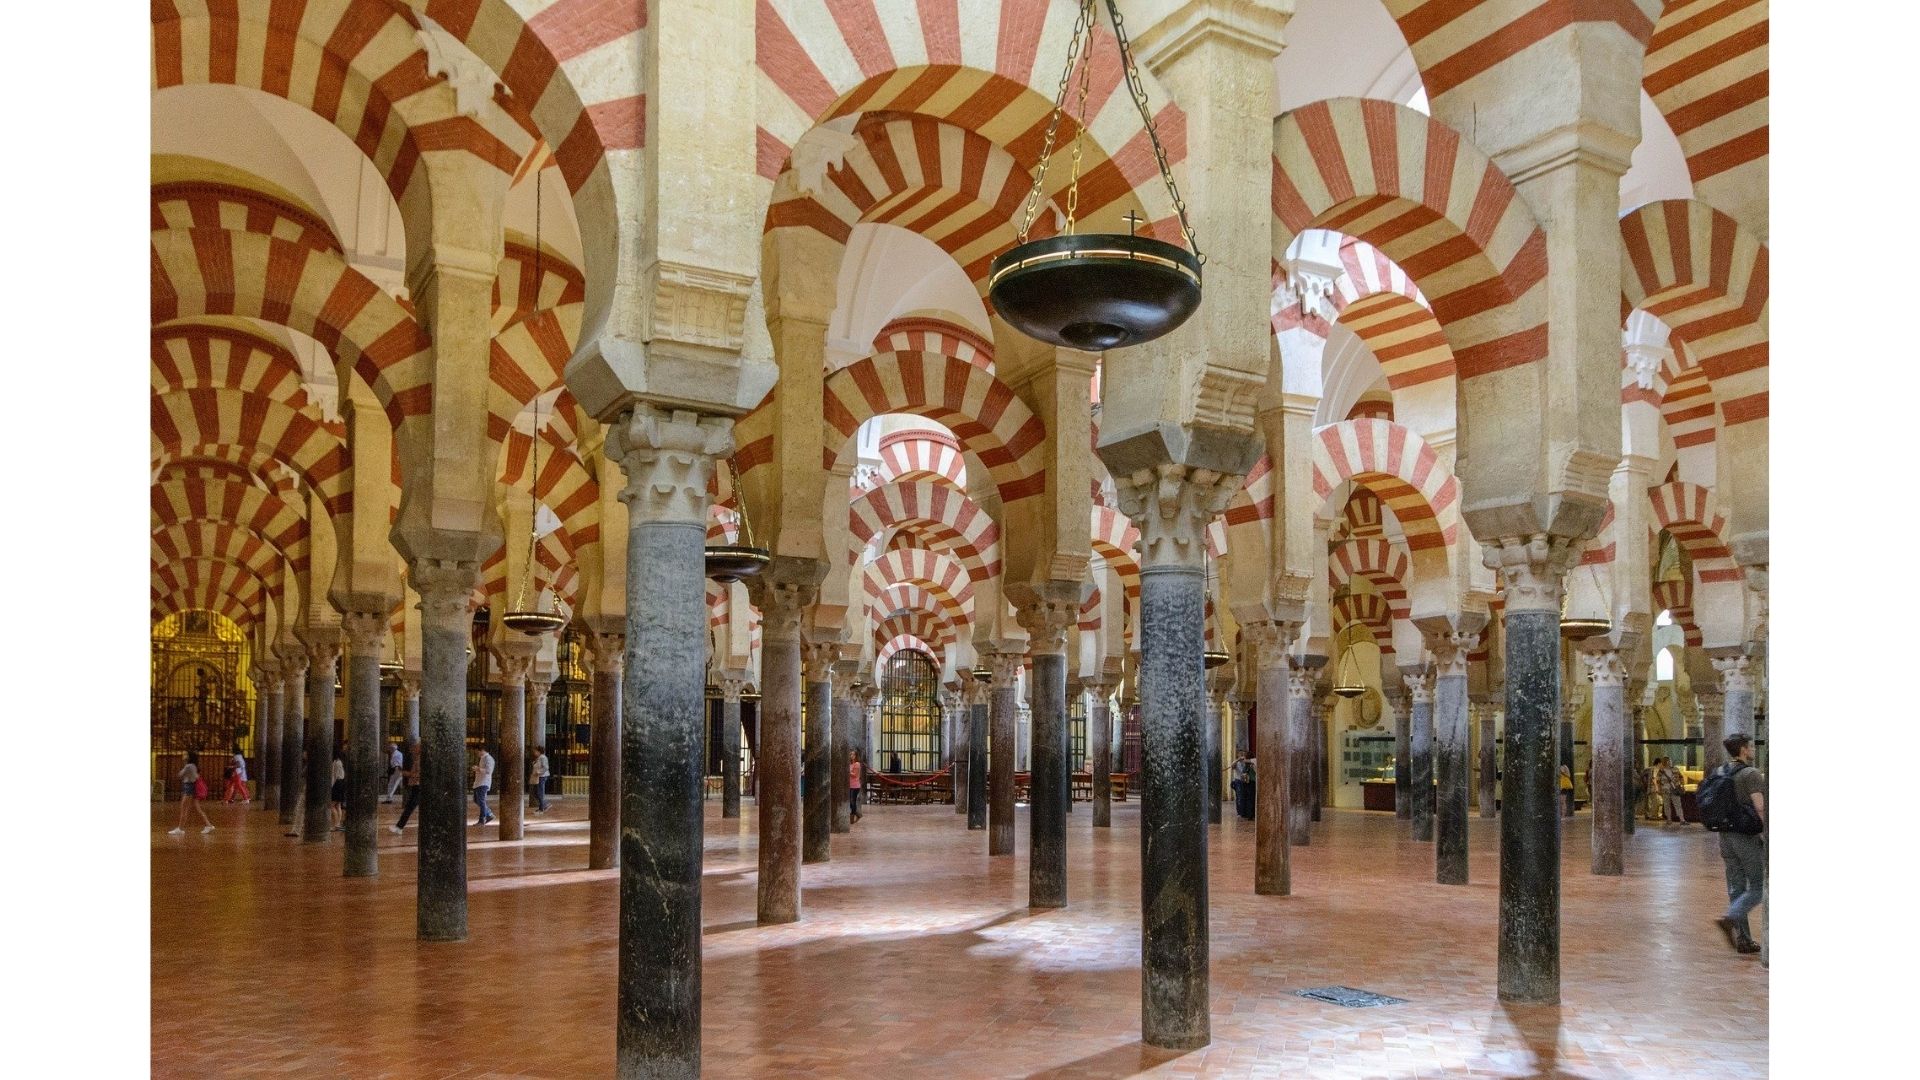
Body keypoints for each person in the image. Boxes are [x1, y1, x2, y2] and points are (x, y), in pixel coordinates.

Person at [1708, 734, 1766, 955]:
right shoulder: (1751, 774)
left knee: (1736, 887)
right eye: (1751, 746)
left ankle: (1743, 939)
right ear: (1743, 750)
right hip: (1745, 836)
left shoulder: (1720, 771)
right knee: (1759, 886)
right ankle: (1730, 918)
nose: (1753, 749)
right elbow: (1760, 807)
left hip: (1725, 836)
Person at [170, 752, 215, 835]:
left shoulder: (188, 766)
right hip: (192, 787)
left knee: (184, 809)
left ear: (189, 757)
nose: (183, 755)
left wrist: (185, 770)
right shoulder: (193, 766)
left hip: (188, 787)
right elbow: (196, 776)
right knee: (197, 809)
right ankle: (208, 825)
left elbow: (180, 775)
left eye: (186, 754)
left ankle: (180, 829)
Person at [389, 742, 422, 834]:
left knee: (409, 807)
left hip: (418, 786)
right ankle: (399, 827)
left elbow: (419, 774)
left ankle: (399, 827)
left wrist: (406, 774)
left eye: (415, 747)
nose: (413, 749)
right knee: (409, 807)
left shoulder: (420, 760)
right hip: (416, 785)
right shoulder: (417, 759)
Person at [1657, 756, 1686, 824]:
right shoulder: (1661, 771)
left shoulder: (1675, 769)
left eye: (1670, 761)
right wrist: (1659, 789)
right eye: (1668, 761)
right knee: (1667, 805)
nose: (1670, 762)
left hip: (1675, 789)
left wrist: (1682, 785)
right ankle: (1669, 819)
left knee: (1678, 804)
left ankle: (1682, 819)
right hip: (1665, 790)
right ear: (1665, 762)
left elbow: (1681, 777)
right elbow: (1658, 781)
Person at [472, 746, 495, 827]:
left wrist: (478, 769)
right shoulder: (483, 758)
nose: (477, 753)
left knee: (481, 801)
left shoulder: (488, 758)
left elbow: (489, 771)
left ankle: (482, 820)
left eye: (477, 751)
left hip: (484, 782)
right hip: (479, 782)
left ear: (482, 750)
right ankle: (488, 813)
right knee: (476, 800)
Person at [1230, 753, 1256, 820]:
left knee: (1249, 799)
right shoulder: (1238, 763)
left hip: (1251, 782)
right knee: (1240, 798)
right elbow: (1232, 766)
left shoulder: (1252, 761)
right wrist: (1238, 760)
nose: (1242, 756)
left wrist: (1246, 760)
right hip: (1240, 782)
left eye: (1244, 755)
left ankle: (1249, 814)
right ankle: (1241, 813)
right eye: (1241, 754)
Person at [329, 751, 347, 830]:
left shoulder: (336, 763)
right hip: (341, 783)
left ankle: (335, 824)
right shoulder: (339, 762)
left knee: (331, 805)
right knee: (338, 805)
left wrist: (331, 786)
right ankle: (338, 824)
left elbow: (334, 776)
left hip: (337, 784)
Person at [528, 746, 550, 814]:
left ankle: (543, 807)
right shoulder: (538, 758)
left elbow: (546, 767)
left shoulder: (543, 757)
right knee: (536, 792)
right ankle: (543, 805)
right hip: (538, 777)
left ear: (539, 751)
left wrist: (539, 772)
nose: (534, 753)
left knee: (539, 792)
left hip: (541, 777)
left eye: (535, 751)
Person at [848, 752, 863, 823]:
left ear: (856, 756)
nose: (851, 756)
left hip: (855, 785)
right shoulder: (850, 764)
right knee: (850, 802)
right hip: (850, 785)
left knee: (852, 801)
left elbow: (855, 775)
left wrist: (847, 772)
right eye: (850, 754)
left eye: (853, 754)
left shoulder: (857, 764)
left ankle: (852, 816)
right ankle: (858, 814)